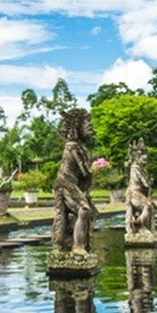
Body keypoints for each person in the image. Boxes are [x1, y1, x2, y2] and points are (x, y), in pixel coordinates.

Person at [52, 108, 96, 255]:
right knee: (84, 210)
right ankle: (78, 247)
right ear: (77, 126)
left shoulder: (80, 147)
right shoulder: (73, 146)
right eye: (87, 124)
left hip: (71, 184)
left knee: (89, 211)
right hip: (65, 184)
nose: (91, 127)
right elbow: (85, 172)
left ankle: (79, 243)